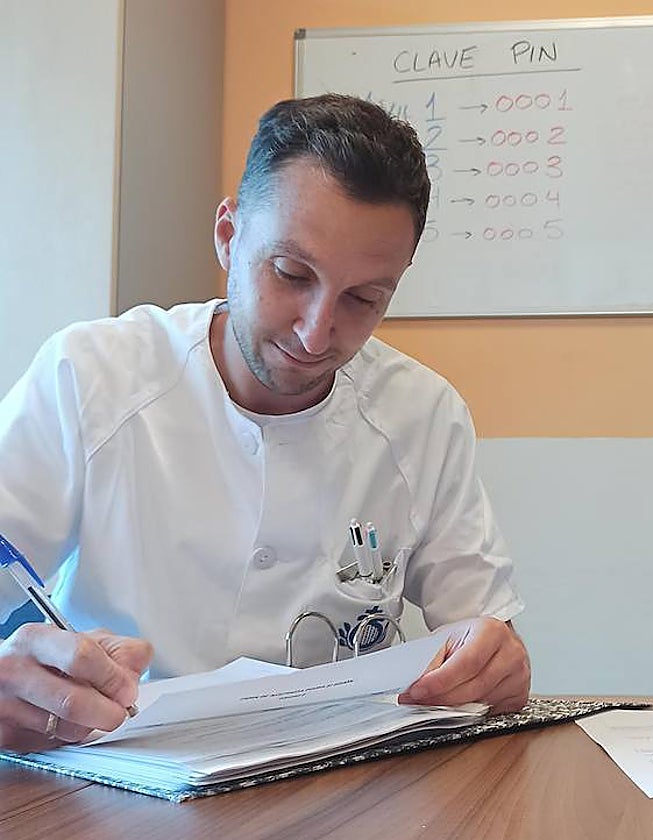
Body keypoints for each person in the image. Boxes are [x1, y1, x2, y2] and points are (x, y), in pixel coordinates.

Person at [0, 94, 530, 752]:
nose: (316, 332)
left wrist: (498, 663)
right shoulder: (90, 376)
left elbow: (486, 634)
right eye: (290, 274)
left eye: (364, 299)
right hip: (116, 770)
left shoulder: (422, 415)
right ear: (228, 235)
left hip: (341, 784)